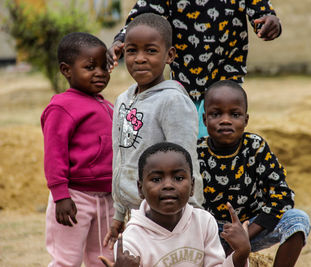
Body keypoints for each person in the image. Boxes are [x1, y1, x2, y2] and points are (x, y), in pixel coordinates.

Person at [107, 0, 282, 137]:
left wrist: (271, 21)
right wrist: (121, 39)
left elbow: (262, 13)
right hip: (184, 86)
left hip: (226, 84)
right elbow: (142, 16)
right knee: (182, 145)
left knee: (221, 143)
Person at [104, 13, 204, 250]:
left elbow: (188, 161)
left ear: (169, 55)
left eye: (150, 51)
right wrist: (119, 214)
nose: (139, 59)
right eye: (132, 51)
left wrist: (193, 216)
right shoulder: (122, 100)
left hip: (168, 215)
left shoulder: (173, 101)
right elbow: (120, 158)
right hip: (135, 214)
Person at [197, 80, 311, 267]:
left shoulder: (255, 147)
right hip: (210, 234)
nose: (225, 120)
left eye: (234, 114)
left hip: (252, 229)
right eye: (216, 114)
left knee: (298, 220)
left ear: (246, 120)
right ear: (204, 119)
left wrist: (243, 237)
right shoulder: (196, 152)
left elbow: (282, 196)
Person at [100, 142, 250, 267]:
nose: (168, 185)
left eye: (178, 178)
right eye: (156, 179)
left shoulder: (204, 222)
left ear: (192, 186)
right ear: (140, 189)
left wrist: (241, 254)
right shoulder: (130, 241)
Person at [40, 32, 114, 266]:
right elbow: (54, 154)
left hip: (107, 197)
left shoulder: (108, 105)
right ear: (66, 70)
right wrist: (60, 195)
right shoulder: (62, 107)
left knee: (104, 258)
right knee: (66, 260)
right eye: (90, 67)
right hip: (74, 198)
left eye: (104, 66)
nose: (100, 73)